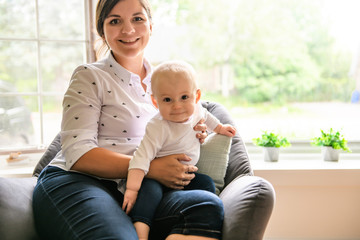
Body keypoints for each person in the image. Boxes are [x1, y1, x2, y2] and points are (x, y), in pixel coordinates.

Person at [32, 0, 225, 240]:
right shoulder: (89, 76)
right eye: (115, 21)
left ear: (151, 26)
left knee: (205, 206)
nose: (128, 30)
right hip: (80, 181)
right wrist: (149, 168)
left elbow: (175, 128)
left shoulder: (168, 82)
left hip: (142, 190)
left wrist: (193, 132)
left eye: (137, 19)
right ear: (102, 31)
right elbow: (77, 153)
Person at [122, 60, 236, 240]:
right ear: (155, 101)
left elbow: (208, 118)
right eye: (167, 100)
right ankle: (141, 230)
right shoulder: (157, 126)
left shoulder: (197, 110)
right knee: (148, 193)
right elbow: (141, 158)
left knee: (206, 184)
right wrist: (131, 189)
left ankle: (189, 223)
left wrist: (220, 128)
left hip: (186, 176)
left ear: (196, 96)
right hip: (158, 178)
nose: (177, 106)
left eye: (184, 97)